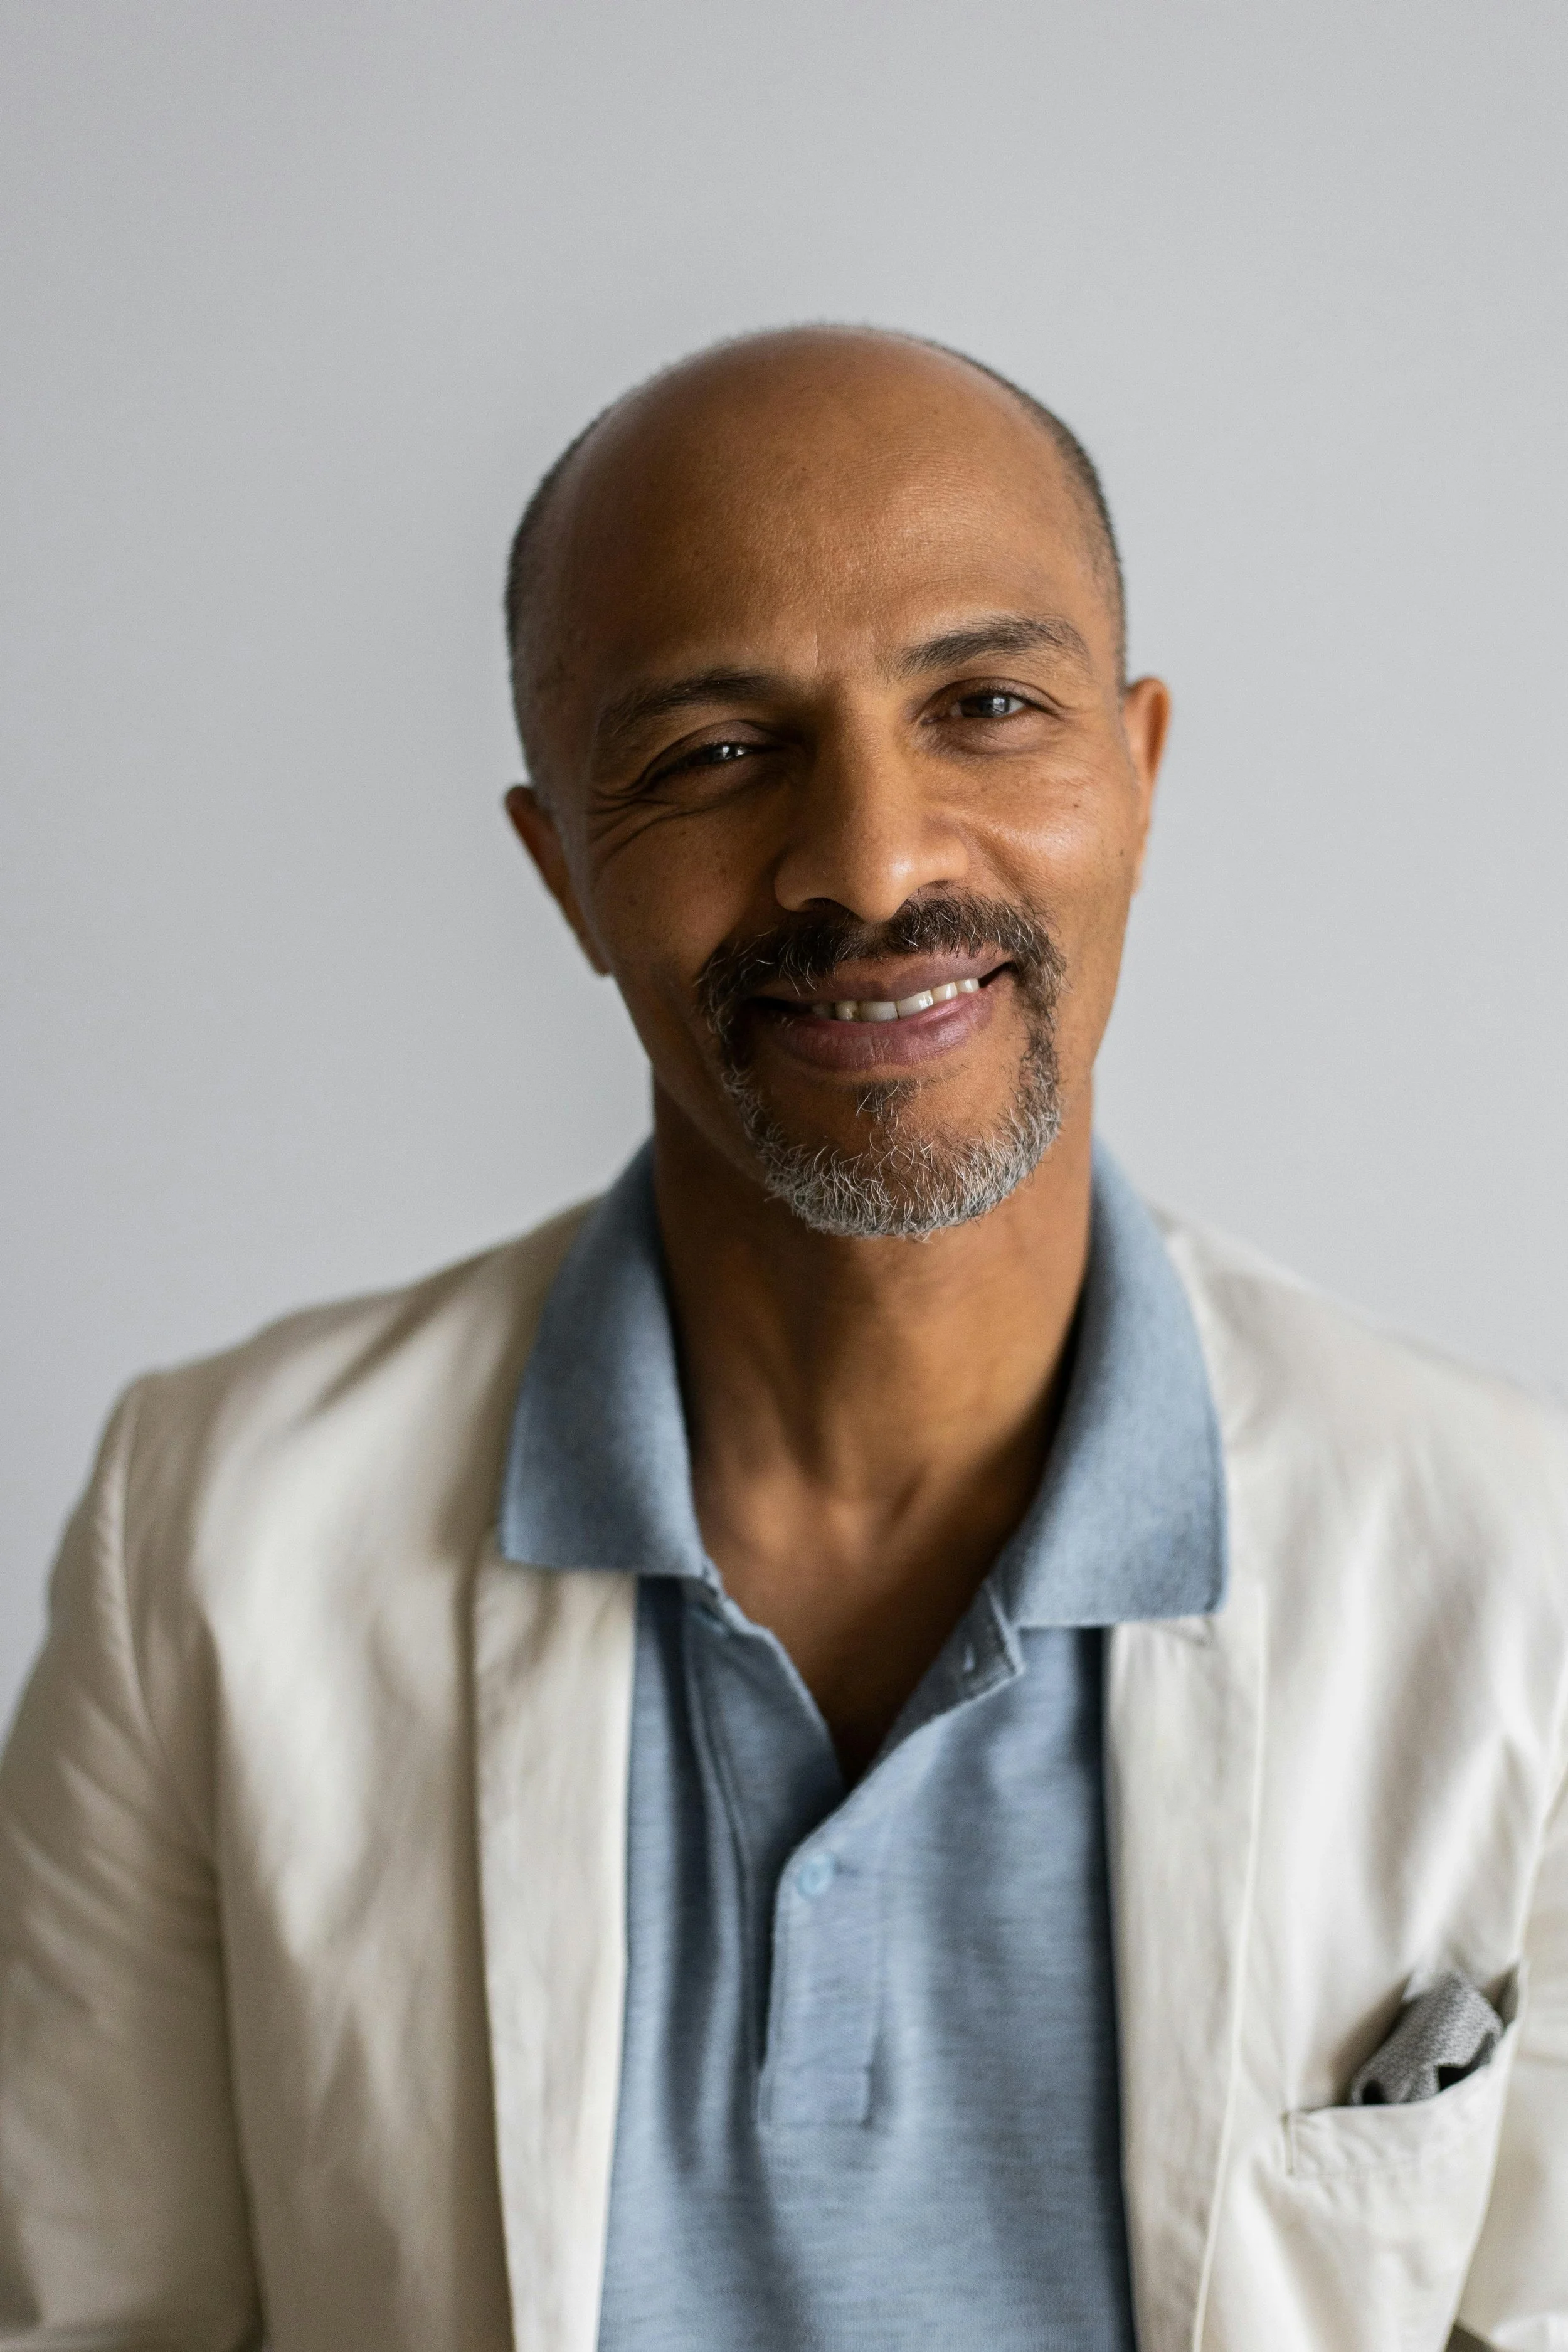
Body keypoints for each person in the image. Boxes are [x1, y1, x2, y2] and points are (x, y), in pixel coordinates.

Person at [1, 327, 1563, 2352]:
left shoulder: (1522, 1565)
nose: (874, 861)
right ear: (562, 863)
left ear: (1139, 771)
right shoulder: (210, 1537)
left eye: (986, 706)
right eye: (716, 755)